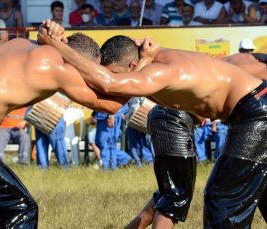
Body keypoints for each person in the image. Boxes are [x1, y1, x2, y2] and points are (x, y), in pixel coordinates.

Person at [40, 21, 267, 228]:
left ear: (132, 64)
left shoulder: (158, 71)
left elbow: (108, 85)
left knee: (223, 197)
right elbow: (107, 86)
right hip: (250, 111)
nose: (123, 85)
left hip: (256, 112)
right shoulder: (150, 60)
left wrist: (56, 45)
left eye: (122, 75)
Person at [0, 29, 128, 227]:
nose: (90, 81)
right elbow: (111, 105)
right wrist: (141, 64)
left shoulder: (19, 43)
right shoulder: (58, 68)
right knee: (19, 209)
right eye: (89, 73)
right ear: (77, 61)